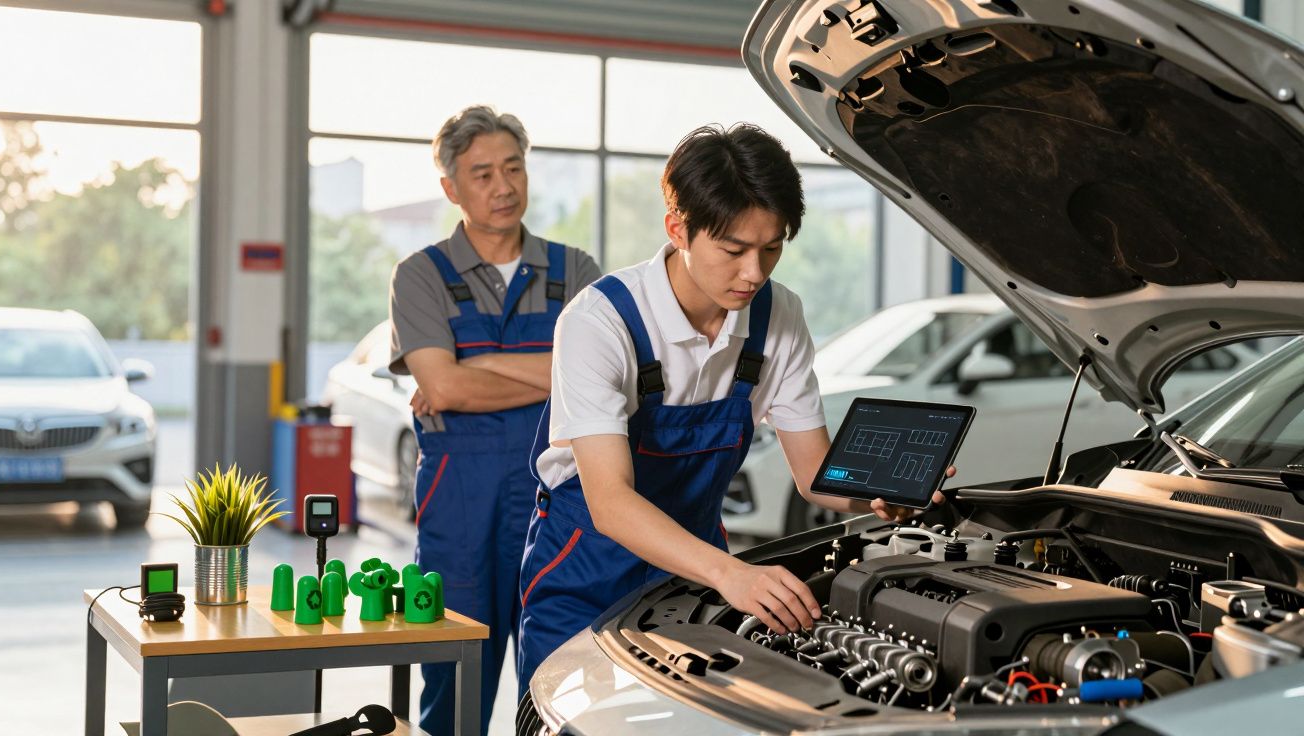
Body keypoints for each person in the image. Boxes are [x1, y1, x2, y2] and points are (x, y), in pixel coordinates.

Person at [515, 123, 952, 690]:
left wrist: (874, 489)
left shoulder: (779, 316)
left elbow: (814, 474)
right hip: (584, 566)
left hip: (693, 572)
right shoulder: (601, 321)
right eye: (734, 250)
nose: (755, 272)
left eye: (772, 248)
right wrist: (732, 573)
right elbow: (611, 503)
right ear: (679, 229)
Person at [388, 105, 600, 735]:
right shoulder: (419, 275)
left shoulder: (577, 272)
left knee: (564, 681)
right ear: (451, 187)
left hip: (563, 500)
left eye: (513, 168)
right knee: (455, 677)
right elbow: (446, 387)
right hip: (461, 504)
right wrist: (551, 369)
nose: (502, 186)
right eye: (481, 174)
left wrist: (484, 362)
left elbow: (599, 382)